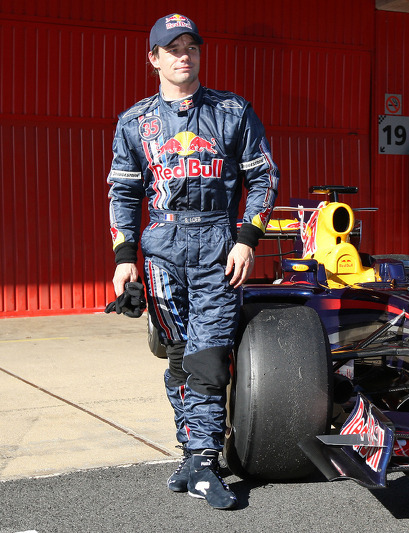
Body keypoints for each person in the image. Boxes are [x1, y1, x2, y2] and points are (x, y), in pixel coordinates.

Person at [106, 13, 279, 510]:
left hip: (219, 252)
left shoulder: (233, 112)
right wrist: (124, 256)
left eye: (192, 47)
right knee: (180, 356)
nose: (185, 55)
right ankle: (193, 453)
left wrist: (247, 238)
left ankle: (203, 461)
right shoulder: (135, 122)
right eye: (173, 48)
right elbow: (123, 192)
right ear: (154, 59)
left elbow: (264, 179)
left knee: (207, 358)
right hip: (161, 253)